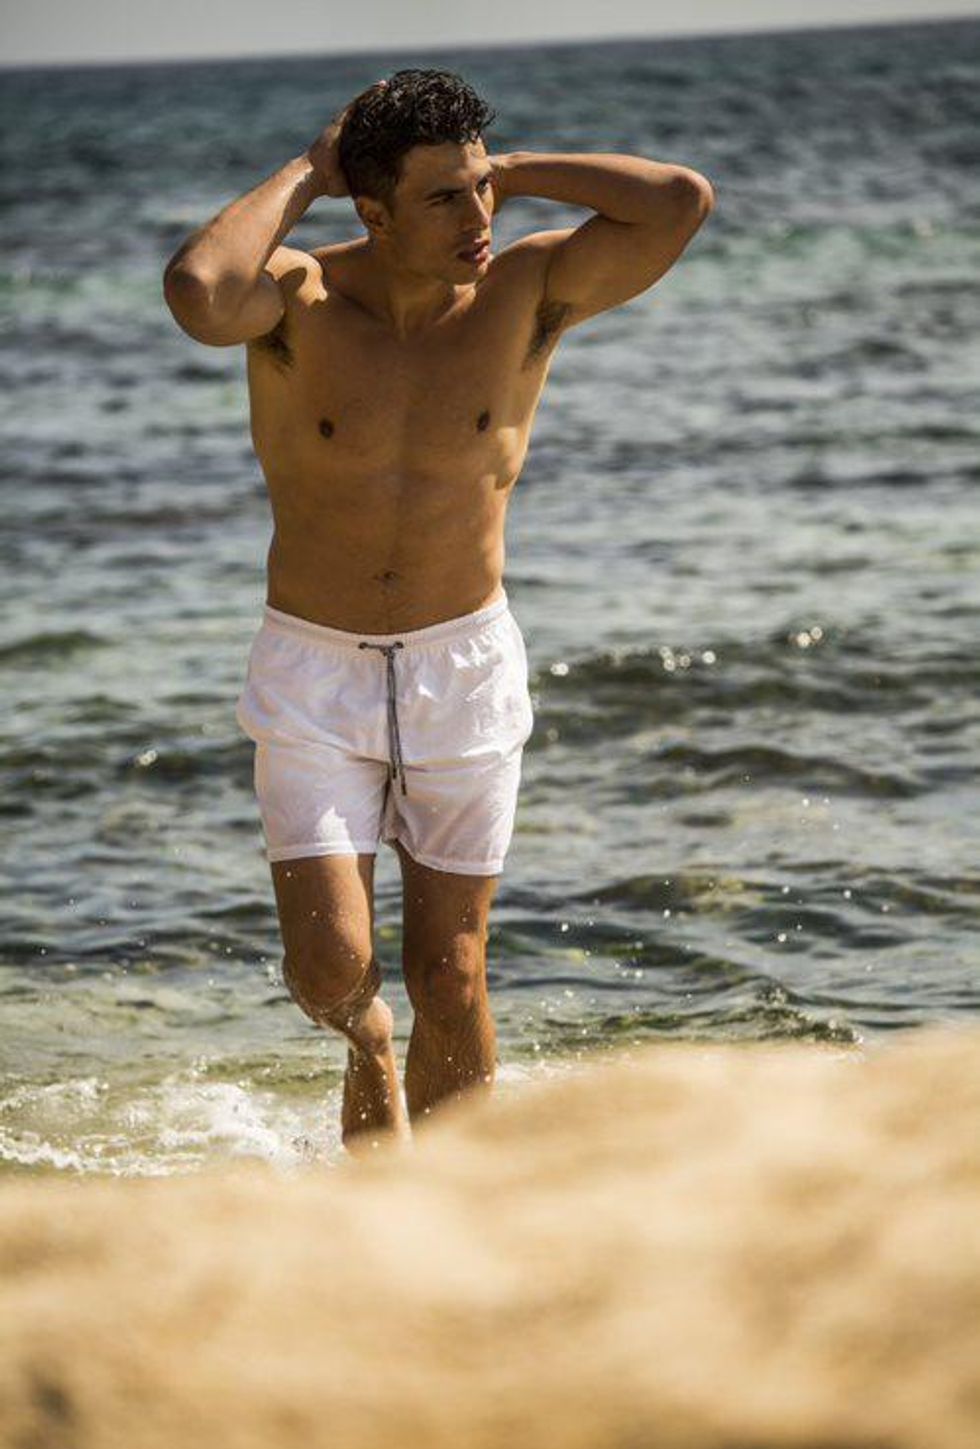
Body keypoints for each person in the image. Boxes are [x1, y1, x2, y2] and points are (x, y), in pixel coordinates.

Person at [162, 68, 713, 1157]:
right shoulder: (300, 297)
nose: (478, 218)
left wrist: (506, 167)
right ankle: (367, 1044)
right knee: (331, 970)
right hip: (315, 670)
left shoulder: (528, 288)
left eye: (481, 190)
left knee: (451, 974)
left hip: (462, 665)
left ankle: (450, 1214)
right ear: (372, 211)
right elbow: (198, 292)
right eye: (444, 199)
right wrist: (310, 170)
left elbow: (679, 201)